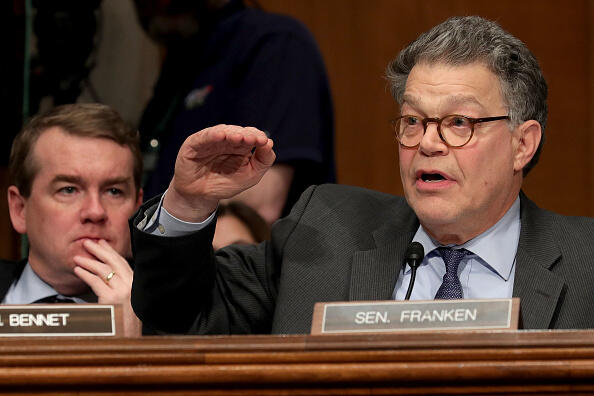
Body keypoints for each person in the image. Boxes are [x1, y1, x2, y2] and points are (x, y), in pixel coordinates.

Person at [130, 16, 594, 335]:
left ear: (523, 143)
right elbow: (181, 317)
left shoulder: (585, 264)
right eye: (413, 121)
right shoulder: (326, 232)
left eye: (459, 124)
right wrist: (188, 204)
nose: (427, 143)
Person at [134, 0, 336, 224]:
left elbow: (259, 206)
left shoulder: (274, 43)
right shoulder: (181, 59)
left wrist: (166, 236)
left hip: (246, 255)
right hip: (168, 248)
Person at [2, 103, 143, 337]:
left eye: (114, 191)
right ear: (20, 209)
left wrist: (130, 352)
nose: (96, 212)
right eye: (68, 190)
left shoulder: (177, 313)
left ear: (137, 209)